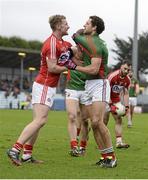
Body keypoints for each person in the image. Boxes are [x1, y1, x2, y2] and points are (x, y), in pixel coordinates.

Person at [7, 14, 72, 166]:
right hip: (44, 85)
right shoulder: (52, 43)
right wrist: (70, 67)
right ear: (58, 26)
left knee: (38, 121)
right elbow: (53, 67)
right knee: (40, 120)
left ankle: (27, 155)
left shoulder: (62, 43)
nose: (68, 26)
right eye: (66, 24)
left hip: (46, 86)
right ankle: (15, 150)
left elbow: (74, 49)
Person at [63, 16, 117, 168]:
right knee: (93, 124)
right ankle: (105, 157)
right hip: (89, 85)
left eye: (87, 23)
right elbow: (78, 47)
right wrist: (70, 55)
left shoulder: (96, 45)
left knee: (96, 122)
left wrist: (73, 66)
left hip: (99, 84)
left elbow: (93, 69)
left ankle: (112, 157)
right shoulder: (90, 43)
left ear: (94, 28)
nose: (84, 25)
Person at [104, 61, 131, 148]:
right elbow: (105, 90)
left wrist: (126, 107)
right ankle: (101, 140)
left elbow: (126, 93)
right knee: (104, 122)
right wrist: (110, 104)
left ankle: (119, 142)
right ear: (121, 67)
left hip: (116, 100)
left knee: (119, 120)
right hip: (104, 100)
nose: (126, 71)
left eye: (128, 70)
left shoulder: (128, 80)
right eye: (125, 68)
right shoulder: (112, 76)